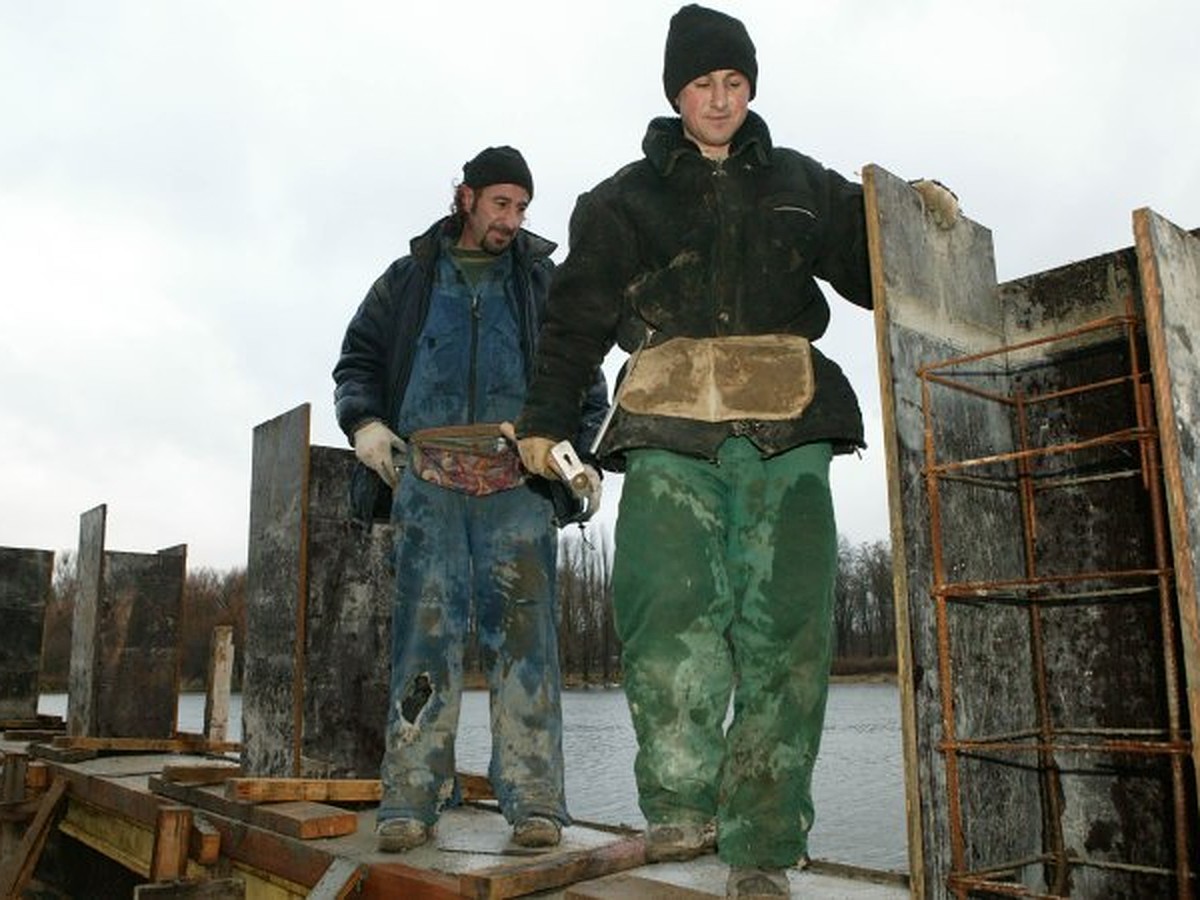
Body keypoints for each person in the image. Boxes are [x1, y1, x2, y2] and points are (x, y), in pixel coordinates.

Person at [506, 6, 957, 897]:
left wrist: (916, 219)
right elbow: (575, 322)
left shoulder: (802, 184)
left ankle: (761, 845)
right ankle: (681, 808)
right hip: (669, 429)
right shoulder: (618, 201)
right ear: (677, 92)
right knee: (666, 615)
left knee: (786, 632)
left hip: (787, 429)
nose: (719, 99)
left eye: (734, 82)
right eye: (703, 84)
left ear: (751, 87)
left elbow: (880, 274)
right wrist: (543, 421)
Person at [333, 145, 609, 853]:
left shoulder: (544, 286)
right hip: (425, 481)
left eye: (522, 208)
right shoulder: (409, 280)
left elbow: (586, 377)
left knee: (528, 644)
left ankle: (536, 802)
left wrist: (582, 458)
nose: (511, 220)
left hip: (519, 483)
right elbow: (358, 357)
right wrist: (364, 423)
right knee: (423, 639)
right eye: (500, 204)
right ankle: (411, 801)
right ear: (465, 198)